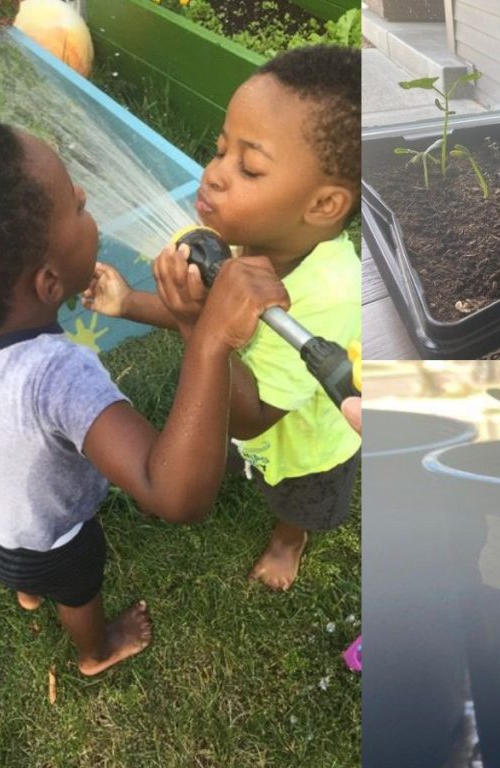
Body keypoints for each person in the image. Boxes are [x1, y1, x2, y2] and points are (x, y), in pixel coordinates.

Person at [0, 117, 288, 675]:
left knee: (20, 572)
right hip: (50, 539)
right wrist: (209, 341)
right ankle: (98, 649)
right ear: (47, 283)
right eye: (76, 206)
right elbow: (175, 497)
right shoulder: (58, 375)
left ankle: (24, 589)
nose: (87, 195)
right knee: (77, 589)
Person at [83, 45, 360, 590]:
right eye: (220, 150)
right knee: (231, 450)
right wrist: (130, 304)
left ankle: (288, 541)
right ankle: (242, 472)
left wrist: (197, 326)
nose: (212, 175)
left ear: (324, 206)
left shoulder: (327, 297)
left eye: (248, 167)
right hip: (238, 417)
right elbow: (212, 322)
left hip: (302, 443)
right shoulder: (246, 241)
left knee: (296, 499)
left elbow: (254, 415)